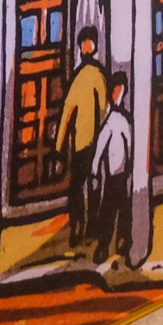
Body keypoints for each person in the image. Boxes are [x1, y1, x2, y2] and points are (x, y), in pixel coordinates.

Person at [53, 27, 109, 250]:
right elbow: (68, 112)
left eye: (88, 43)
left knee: (87, 185)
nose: (86, 47)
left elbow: (103, 109)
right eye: (83, 43)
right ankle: (81, 225)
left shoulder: (95, 75)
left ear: (93, 46)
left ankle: (86, 225)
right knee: (82, 186)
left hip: (92, 142)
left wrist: (59, 146)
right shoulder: (83, 76)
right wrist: (59, 145)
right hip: (83, 143)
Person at [89, 75, 135, 267]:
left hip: (122, 174)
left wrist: (130, 165)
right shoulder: (110, 121)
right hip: (112, 175)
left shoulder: (124, 120)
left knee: (123, 208)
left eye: (121, 92)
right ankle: (104, 245)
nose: (118, 95)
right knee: (108, 209)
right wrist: (94, 169)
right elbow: (100, 146)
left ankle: (122, 240)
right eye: (116, 91)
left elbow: (129, 144)